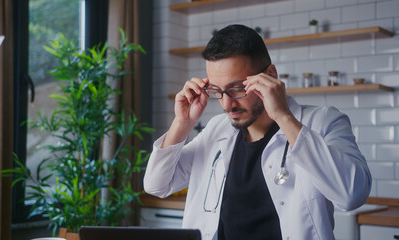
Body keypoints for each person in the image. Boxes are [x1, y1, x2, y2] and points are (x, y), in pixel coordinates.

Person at [143, 24, 371, 240]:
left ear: (270, 75)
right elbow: (157, 185)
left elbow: (352, 195)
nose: (227, 104)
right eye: (218, 91)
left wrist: (284, 116)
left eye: (237, 88)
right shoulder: (217, 128)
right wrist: (182, 123)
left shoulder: (323, 121)